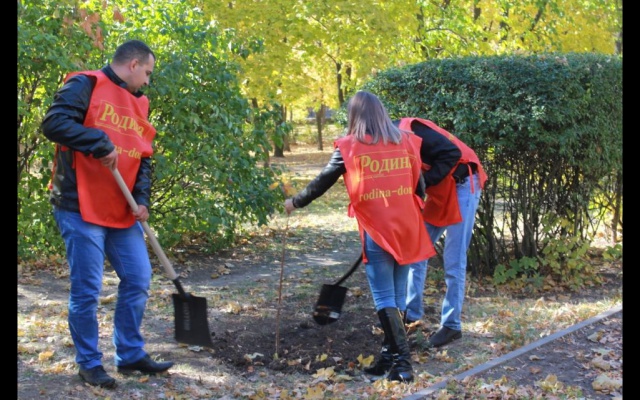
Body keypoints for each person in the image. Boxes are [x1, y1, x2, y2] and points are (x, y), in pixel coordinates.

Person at [41, 39, 174, 389]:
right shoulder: (84, 84)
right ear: (133, 64)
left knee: (139, 278)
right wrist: (97, 141)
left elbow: (143, 156)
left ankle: (129, 354)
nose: (147, 81)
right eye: (147, 72)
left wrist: (141, 198)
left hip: (122, 207)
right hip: (78, 204)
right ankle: (89, 363)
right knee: (87, 289)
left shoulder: (140, 102)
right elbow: (53, 123)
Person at [284, 91, 436, 382]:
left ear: (355, 116)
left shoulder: (350, 147)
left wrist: (295, 202)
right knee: (398, 295)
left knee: (384, 296)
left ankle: (403, 365)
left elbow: (323, 181)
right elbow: (419, 186)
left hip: (378, 230)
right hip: (407, 227)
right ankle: (388, 358)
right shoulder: (406, 140)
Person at [395, 117, 487, 348]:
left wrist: (421, 185)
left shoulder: (410, 132)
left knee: (454, 260)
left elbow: (451, 153)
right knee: (416, 252)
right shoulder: (387, 142)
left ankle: (452, 325)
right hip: (441, 190)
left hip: (463, 184)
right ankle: (412, 316)